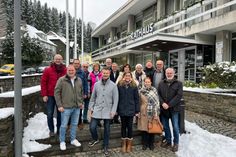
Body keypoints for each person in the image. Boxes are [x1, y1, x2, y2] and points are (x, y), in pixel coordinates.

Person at [88, 67, 119, 156]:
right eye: (104, 73)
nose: (105, 74)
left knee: (107, 129)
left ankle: (106, 146)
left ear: (109, 74)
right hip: (97, 109)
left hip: (108, 110)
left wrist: (113, 111)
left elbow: (115, 100)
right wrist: (91, 108)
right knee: (92, 127)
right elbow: (93, 98)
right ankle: (95, 138)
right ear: (102, 73)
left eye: (107, 73)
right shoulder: (97, 84)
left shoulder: (113, 85)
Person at [54, 65, 83, 151]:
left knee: (74, 124)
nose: (71, 72)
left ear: (75, 71)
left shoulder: (79, 80)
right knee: (63, 125)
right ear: (67, 71)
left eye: (72, 70)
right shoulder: (62, 80)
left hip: (77, 107)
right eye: (69, 70)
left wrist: (81, 102)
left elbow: (81, 92)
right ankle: (62, 141)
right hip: (65, 107)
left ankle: (73, 139)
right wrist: (59, 105)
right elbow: (56, 92)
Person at [40, 54, 67, 136]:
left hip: (61, 95)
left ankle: (59, 129)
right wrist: (44, 95)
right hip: (50, 95)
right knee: (49, 113)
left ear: (62, 60)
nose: (58, 60)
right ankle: (51, 130)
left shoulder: (65, 70)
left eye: (59, 59)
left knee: (60, 114)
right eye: (56, 59)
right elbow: (43, 83)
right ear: (54, 60)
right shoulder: (48, 70)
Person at [158, 68, 183, 152]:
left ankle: (176, 143)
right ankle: (168, 141)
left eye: (170, 73)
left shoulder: (179, 83)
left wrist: (169, 105)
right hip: (164, 109)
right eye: (167, 73)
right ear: (165, 73)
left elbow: (179, 96)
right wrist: (162, 103)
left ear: (173, 73)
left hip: (174, 109)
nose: (169, 74)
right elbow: (158, 94)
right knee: (165, 126)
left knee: (175, 127)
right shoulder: (161, 83)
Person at [117, 72, 139, 153]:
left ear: (131, 77)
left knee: (129, 127)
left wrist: (137, 110)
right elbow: (117, 97)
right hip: (122, 108)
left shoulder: (134, 86)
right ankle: (123, 144)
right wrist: (116, 109)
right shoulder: (119, 85)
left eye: (129, 76)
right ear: (123, 77)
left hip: (131, 109)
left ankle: (129, 144)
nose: (127, 77)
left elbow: (137, 99)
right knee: (123, 126)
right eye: (126, 76)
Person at [138, 77, 160, 151]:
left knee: (152, 127)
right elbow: (139, 102)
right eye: (146, 82)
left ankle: (151, 144)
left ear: (151, 83)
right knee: (144, 128)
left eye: (148, 82)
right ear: (144, 83)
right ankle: (145, 144)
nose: (147, 83)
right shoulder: (141, 91)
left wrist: (156, 114)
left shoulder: (154, 90)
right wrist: (139, 112)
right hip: (144, 111)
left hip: (153, 111)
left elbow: (157, 102)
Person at [73, 59, 88, 129]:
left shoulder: (82, 73)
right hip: (70, 93)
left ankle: (79, 122)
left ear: (79, 64)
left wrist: (85, 93)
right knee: (70, 108)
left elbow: (85, 84)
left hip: (80, 94)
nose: (76, 64)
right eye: (75, 63)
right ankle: (70, 123)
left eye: (78, 63)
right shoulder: (70, 71)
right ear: (73, 64)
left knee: (80, 108)